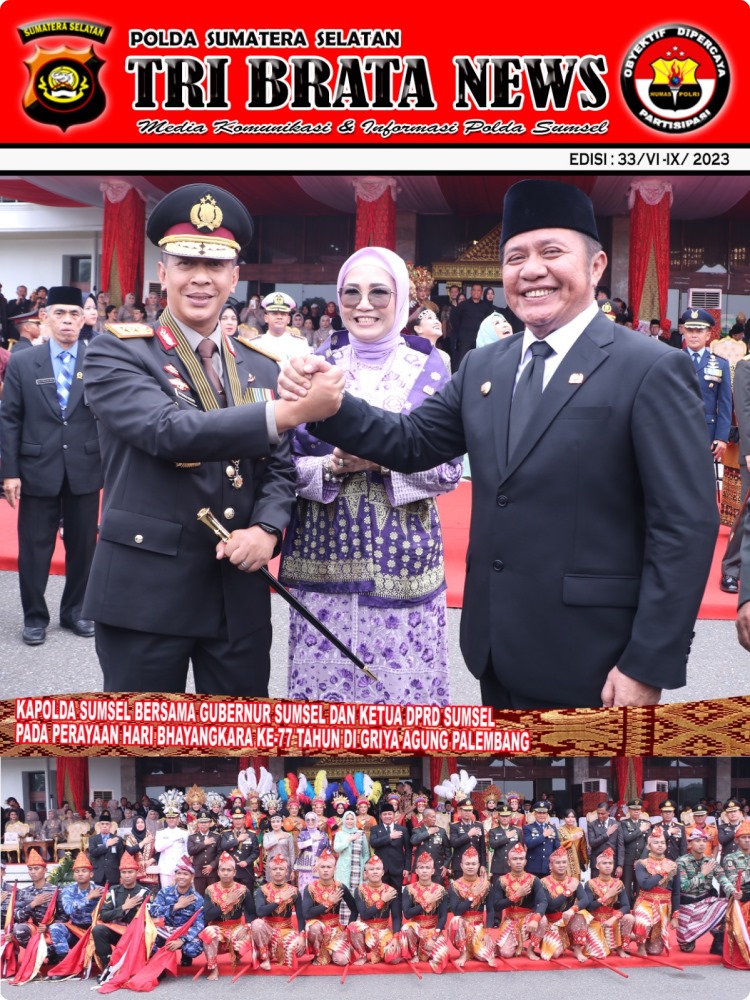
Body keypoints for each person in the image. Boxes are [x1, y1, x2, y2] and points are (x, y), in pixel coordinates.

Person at [281, 179, 719, 710]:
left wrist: (647, 663)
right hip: (496, 649)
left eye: (551, 252)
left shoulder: (649, 367)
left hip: (596, 658)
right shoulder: (486, 365)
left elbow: (684, 525)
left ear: (597, 265)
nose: (531, 270)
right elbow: (412, 441)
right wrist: (328, 401)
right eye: (515, 257)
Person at [82, 184, 301, 695]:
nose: (201, 278)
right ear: (163, 272)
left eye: (216, 265)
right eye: (185, 263)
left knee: (239, 736)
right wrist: (289, 412)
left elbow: (280, 466)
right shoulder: (118, 353)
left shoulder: (260, 363)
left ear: (234, 277)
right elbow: (169, 432)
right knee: (144, 736)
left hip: (236, 590)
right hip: (146, 591)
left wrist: (267, 529)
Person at [278, 246, 462, 705]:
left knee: (401, 702)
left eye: (379, 292)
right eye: (351, 293)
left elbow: (449, 470)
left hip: (405, 561)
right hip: (324, 558)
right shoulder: (311, 366)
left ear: (401, 300)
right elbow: (282, 464)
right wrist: (331, 466)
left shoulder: (432, 368)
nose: (364, 305)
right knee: (325, 704)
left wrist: (382, 461)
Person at [1, 286, 102, 646]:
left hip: (85, 467)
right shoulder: (24, 362)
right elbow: (9, 418)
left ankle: (76, 611)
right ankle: (34, 617)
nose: (67, 321)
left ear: (84, 318)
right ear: (45, 317)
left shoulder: (97, 360)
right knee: (34, 547)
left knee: (83, 547)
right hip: (36, 468)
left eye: (74, 314)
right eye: (60, 313)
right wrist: (9, 472)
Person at [682, 307, 732, 462]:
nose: (694, 335)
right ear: (683, 332)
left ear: (708, 335)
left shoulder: (720, 363)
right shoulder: (671, 360)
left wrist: (722, 437)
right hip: (677, 430)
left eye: (699, 331)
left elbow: (725, 404)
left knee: (703, 475)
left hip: (707, 432)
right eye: (690, 331)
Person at [199, 852, 255, 981]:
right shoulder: (210, 890)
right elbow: (208, 915)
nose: (225, 873)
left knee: (251, 931)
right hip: (217, 928)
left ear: (234, 872)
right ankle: (213, 968)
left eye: (229, 870)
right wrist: (226, 903)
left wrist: (246, 927)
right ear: (218, 872)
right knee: (208, 932)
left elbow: (252, 913)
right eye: (223, 870)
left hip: (236, 928)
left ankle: (237, 954)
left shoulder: (242, 890)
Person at [93, 853, 150, 975]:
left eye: (130, 872)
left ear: (137, 873)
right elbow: (104, 916)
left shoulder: (145, 893)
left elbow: (151, 918)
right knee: (98, 930)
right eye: (124, 872)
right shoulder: (113, 891)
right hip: (117, 932)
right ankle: (108, 967)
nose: (127, 875)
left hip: (136, 934)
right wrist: (124, 907)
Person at [302, 848, 358, 966]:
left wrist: (347, 930)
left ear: (334, 869)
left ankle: (333, 951)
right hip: (317, 931)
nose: (326, 870)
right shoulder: (310, 888)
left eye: (329, 867)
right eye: (323, 867)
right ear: (317, 869)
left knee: (341, 960)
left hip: (335, 930)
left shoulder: (340, 887)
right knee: (315, 928)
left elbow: (354, 909)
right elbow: (306, 914)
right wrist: (328, 902)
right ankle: (318, 953)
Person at [675, 829, 728, 954]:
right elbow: (684, 887)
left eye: (704, 841)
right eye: (697, 841)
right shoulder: (681, 862)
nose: (702, 844)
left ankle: (718, 941)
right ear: (690, 844)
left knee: (730, 906)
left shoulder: (711, 862)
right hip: (687, 905)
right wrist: (702, 874)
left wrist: (733, 891)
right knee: (686, 948)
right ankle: (704, 930)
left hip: (706, 902)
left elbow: (723, 879)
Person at [492, 842, 546, 961]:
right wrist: (516, 895)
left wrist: (535, 919)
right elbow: (496, 906)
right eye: (515, 859)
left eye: (521, 859)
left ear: (525, 861)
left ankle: (531, 949)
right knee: (506, 953)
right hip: (510, 920)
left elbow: (543, 901)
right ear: (508, 862)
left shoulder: (533, 880)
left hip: (528, 920)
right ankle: (516, 944)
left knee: (542, 919)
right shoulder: (501, 880)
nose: (518, 862)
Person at [147, 855, 205, 967]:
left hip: (184, 933)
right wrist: (176, 906)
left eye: (185, 874)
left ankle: (186, 955)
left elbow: (199, 924)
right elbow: (153, 911)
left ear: (192, 877)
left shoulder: (197, 898)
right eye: (179, 873)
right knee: (147, 939)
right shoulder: (165, 892)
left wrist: (182, 940)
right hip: (165, 931)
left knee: (193, 949)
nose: (181, 877)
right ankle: (157, 962)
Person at [250, 853, 305, 969]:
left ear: (286, 871)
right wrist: (279, 900)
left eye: (281, 869)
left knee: (298, 950)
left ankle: (273, 951)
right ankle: (265, 956)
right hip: (267, 931)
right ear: (270, 872)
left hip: (286, 930)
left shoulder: (294, 891)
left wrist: (302, 936)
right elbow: (260, 912)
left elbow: (300, 917)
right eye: (275, 869)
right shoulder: (262, 890)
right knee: (257, 924)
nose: (278, 871)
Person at [536, 845, 590, 963]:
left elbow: (585, 900)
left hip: (567, 920)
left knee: (580, 916)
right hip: (551, 923)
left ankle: (577, 950)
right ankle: (561, 942)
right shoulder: (543, 883)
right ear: (551, 865)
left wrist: (572, 909)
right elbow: (550, 906)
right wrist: (567, 892)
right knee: (555, 954)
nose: (561, 865)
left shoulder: (573, 881)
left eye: (564, 862)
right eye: (558, 862)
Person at [446, 846, 497, 967]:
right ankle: (463, 953)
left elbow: (491, 910)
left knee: (485, 957)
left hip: (478, 927)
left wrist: (488, 932)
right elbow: (457, 911)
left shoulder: (486, 885)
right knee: (456, 920)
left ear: (478, 865)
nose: (470, 866)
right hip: (461, 927)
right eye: (467, 864)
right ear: (461, 865)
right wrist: (471, 896)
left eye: (473, 864)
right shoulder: (455, 886)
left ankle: (477, 948)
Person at [347, 855, 402, 965]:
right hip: (366, 930)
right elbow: (364, 914)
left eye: (378, 869)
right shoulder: (360, 890)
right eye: (371, 869)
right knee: (353, 927)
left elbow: (396, 917)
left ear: (383, 872)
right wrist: (382, 900)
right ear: (366, 873)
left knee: (394, 959)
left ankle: (380, 952)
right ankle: (363, 955)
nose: (375, 872)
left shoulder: (391, 891)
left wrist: (396, 938)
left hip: (384, 931)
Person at [400, 852, 450, 972]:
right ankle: (414, 953)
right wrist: (426, 902)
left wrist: (434, 938)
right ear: (416, 871)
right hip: (416, 930)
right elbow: (407, 914)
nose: (424, 871)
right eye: (421, 867)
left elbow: (443, 917)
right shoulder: (409, 889)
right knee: (406, 928)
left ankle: (427, 950)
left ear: (433, 871)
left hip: (433, 930)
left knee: (442, 957)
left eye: (427, 868)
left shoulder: (440, 890)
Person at [632, 832, 680, 956]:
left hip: (664, 905)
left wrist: (675, 917)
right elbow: (645, 884)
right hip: (646, 902)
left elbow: (676, 893)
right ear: (649, 846)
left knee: (655, 951)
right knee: (643, 923)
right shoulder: (642, 864)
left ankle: (635, 937)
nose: (660, 845)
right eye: (656, 842)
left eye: (662, 842)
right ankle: (640, 944)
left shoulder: (673, 865)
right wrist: (662, 872)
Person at [583, 847, 634, 959]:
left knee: (629, 918)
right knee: (599, 954)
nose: (608, 866)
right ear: (597, 866)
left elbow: (626, 906)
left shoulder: (618, 883)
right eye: (604, 863)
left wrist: (613, 918)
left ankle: (621, 947)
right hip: (595, 921)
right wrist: (606, 896)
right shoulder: (590, 884)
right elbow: (589, 907)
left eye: (610, 863)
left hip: (611, 920)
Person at [369, 802, 409, 931]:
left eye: (390, 814)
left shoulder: (402, 829)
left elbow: (408, 850)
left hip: (397, 869)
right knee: (380, 897)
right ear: (381, 816)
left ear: (394, 815)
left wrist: (407, 868)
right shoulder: (376, 829)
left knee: (397, 898)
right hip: (380, 871)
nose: (387, 816)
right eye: (385, 814)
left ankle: (397, 927)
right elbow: (373, 843)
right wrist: (389, 837)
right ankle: (380, 925)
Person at [718, 820, 750, 968]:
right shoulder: (730, 858)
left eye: (749, 837)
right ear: (736, 840)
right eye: (744, 837)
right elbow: (734, 880)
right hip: (741, 898)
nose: (747, 840)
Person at [333, 810, 370, 923]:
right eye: (347, 819)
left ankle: (357, 923)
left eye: (352, 818)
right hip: (343, 870)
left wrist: (366, 869)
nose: (349, 821)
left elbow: (366, 853)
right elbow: (337, 849)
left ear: (355, 820)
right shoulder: (339, 834)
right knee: (343, 895)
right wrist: (349, 839)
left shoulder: (361, 834)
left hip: (358, 870)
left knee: (357, 895)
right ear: (344, 820)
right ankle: (343, 924)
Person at [620, 798, 652, 904]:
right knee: (626, 885)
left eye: (638, 809)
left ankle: (639, 907)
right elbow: (626, 838)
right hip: (628, 859)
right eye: (633, 809)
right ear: (629, 810)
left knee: (640, 886)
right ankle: (626, 908)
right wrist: (640, 830)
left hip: (642, 860)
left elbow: (649, 843)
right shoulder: (624, 823)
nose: (636, 812)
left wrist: (641, 859)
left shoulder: (646, 823)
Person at [410, 807, 452, 882]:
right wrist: (428, 832)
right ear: (424, 818)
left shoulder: (441, 831)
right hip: (422, 869)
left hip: (438, 868)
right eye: (431, 817)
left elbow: (448, 850)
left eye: (434, 817)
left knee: (437, 889)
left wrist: (446, 865)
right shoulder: (417, 830)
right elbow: (413, 841)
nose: (434, 819)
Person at [187, 810, 220, 896]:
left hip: (212, 873)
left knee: (213, 897)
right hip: (199, 873)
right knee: (199, 897)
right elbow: (190, 851)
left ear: (210, 823)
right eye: (201, 822)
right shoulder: (192, 837)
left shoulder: (217, 836)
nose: (203, 824)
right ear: (198, 824)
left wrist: (212, 865)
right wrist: (204, 843)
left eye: (206, 822)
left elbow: (219, 853)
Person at [587, 801, 624, 877]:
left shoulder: (616, 824)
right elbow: (592, 843)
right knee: (596, 884)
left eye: (602, 814)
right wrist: (607, 834)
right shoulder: (592, 825)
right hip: (596, 863)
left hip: (611, 862)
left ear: (608, 812)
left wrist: (620, 865)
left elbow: (620, 845)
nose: (600, 816)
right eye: (598, 813)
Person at [523, 802, 560, 877]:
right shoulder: (528, 827)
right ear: (534, 814)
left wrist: (554, 863)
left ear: (547, 815)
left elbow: (556, 847)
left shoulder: (552, 828)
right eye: (539, 813)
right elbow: (529, 844)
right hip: (533, 867)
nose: (542, 815)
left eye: (544, 813)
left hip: (548, 866)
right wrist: (543, 835)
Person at [154, 809, 188, 888]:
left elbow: (187, 850)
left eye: (173, 818)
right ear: (166, 819)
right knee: (166, 891)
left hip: (180, 868)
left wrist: (183, 863)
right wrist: (171, 840)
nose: (171, 820)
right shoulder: (161, 832)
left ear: (177, 819)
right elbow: (158, 848)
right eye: (169, 818)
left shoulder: (184, 832)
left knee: (181, 891)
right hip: (165, 868)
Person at [557, 808, 588, 880]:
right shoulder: (559, 830)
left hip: (576, 862)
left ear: (575, 818)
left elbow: (583, 847)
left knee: (575, 882)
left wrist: (585, 861)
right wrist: (571, 839)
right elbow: (558, 846)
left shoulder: (579, 830)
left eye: (573, 817)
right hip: (563, 862)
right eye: (568, 817)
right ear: (564, 818)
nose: (570, 819)